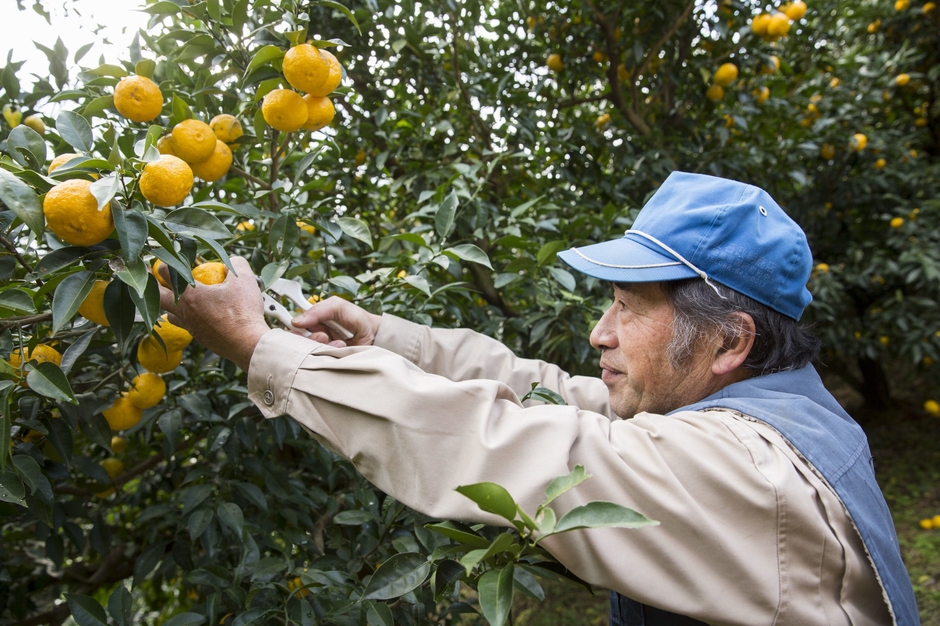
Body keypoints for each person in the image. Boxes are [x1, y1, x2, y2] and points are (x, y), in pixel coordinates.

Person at [160, 172, 918, 626]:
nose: (600, 332)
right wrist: (385, 337)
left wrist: (264, 349)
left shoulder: (747, 472)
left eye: (628, 306)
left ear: (730, 342)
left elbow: (501, 440)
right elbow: (552, 396)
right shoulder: (767, 409)